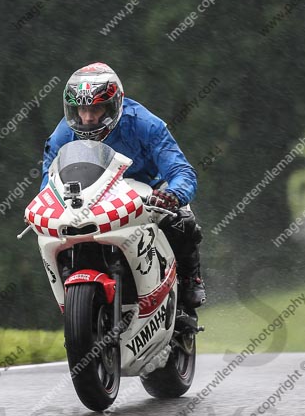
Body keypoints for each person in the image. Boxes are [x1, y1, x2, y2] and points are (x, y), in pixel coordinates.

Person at [41, 62, 206, 310]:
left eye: (96, 108)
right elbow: (49, 179)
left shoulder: (146, 124)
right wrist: (46, 206)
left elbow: (181, 171)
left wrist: (173, 195)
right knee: (53, 232)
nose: (87, 117)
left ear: (114, 104)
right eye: (81, 109)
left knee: (182, 220)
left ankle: (190, 279)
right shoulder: (62, 134)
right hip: (90, 199)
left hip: (147, 192)